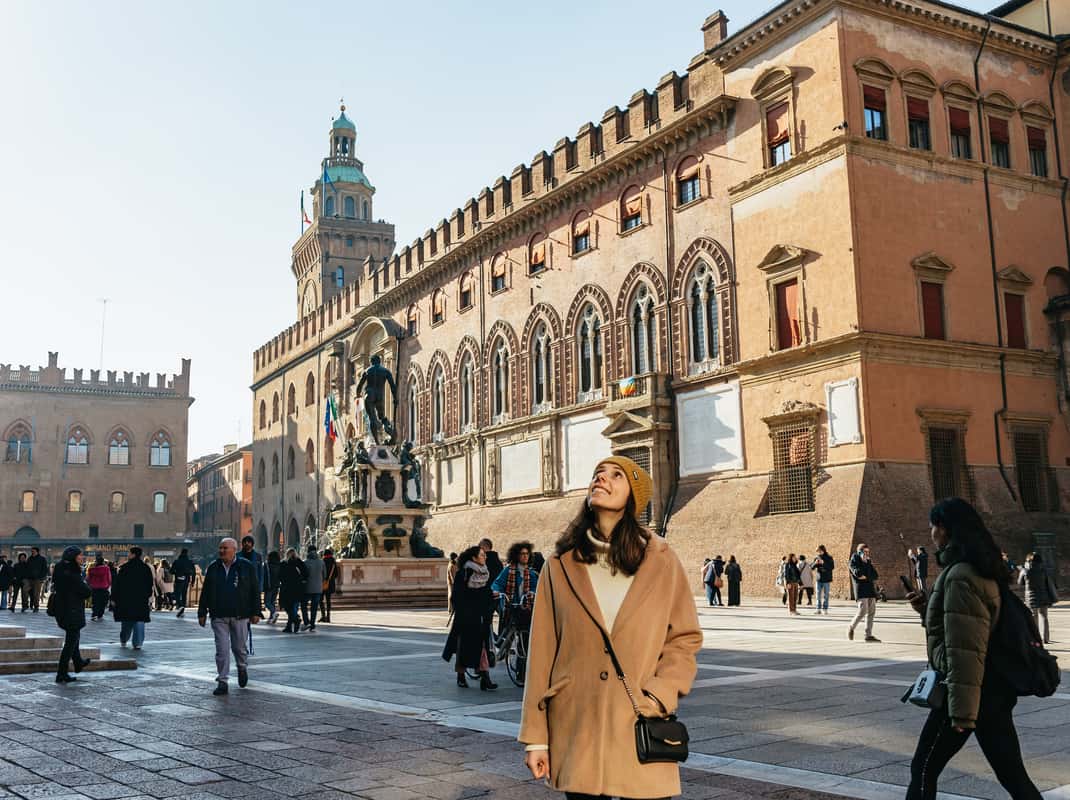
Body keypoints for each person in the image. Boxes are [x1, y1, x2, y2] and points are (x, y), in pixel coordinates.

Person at [519, 455, 702, 799]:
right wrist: (536, 738)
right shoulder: (559, 566)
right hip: (578, 726)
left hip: (639, 722)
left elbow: (684, 637)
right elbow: (542, 654)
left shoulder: (660, 560)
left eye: (616, 475)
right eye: (597, 474)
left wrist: (661, 693)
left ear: (633, 496)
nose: (601, 479)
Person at [904, 498, 1042, 800]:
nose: (930, 532)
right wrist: (927, 608)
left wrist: (962, 714)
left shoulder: (960, 575)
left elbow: (964, 650)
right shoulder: (980, 569)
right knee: (1013, 776)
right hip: (993, 691)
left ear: (944, 530)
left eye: (932, 526)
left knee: (923, 768)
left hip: (967, 692)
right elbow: (968, 625)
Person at [198, 537, 261, 696]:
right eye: (220, 548)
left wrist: (256, 612)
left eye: (225, 548)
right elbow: (205, 591)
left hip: (240, 614)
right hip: (219, 614)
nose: (222, 551)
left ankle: (242, 667)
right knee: (222, 649)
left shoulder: (246, 566)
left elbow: (254, 590)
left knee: (239, 647)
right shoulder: (213, 567)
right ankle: (222, 681)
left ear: (234, 549)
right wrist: (202, 612)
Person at [444, 544, 497, 690]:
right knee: (463, 647)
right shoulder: (464, 573)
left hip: (481, 616)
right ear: (474, 558)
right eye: (481, 555)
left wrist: (491, 600)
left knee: (483, 647)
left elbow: (486, 592)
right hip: (466, 617)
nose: (485, 557)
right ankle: (460, 675)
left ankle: (485, 678)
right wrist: (464, 611)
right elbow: (457, 595)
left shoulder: (486, 573)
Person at [51, 546, 92, 684]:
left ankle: (78, 662)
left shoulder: (60, 568)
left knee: (74, 637)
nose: (82, 557)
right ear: (73, 557)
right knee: (70, 642)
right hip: (72, 610)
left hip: (62, 609)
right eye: (80, 555)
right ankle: (61, 673)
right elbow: (86, 592)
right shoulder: (73, 572)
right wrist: (84, 582)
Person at [111, 547, 154, 650]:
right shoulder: (145, 568)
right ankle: (138, 643)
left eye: (129, 553)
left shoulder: (124, 568)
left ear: (133, 554)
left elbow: (117, 585)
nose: (128, 555)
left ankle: (124, 639)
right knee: (139, 620)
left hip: (126, 599)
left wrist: (114, 598)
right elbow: (149, 584)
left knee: (126, 621)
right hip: (140, 599)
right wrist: (147, 596)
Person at [1019, 552, 1056, 645]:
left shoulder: (1025, 570)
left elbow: (1020, 582)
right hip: (1044, 597)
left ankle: (1036, 637)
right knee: (1044, 617)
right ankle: (1046, 638)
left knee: (1033, 617)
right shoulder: (1043, 570)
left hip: (1031, 598)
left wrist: (1022, 570)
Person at [848, 543, 880, 642]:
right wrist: (864, 567)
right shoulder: (853, 561)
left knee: (871, 612)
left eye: (868, 552)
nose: (867, 553)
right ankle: (851, 627)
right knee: (863, 611)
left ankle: (868, 635)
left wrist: (866, 568)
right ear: (859, 552)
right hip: (861, 590)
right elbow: (858, 574)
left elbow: (875, 575)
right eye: (865, 551)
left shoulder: (868, 561)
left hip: (870, 589)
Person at [278, 548, 308, 633]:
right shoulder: (299, 563)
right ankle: (293, 623)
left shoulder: (284, 563)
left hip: (287, 589)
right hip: (298, 589)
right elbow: (306, 574)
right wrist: (301, 581)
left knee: (288, 607)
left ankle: (294, 622)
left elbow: (280, 576)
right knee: (293, 607)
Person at [301, 547, 324, 631]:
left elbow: (303, 575)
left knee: (304, 605)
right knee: (314, 607)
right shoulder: (321, 562)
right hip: (318, 588)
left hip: (307, 588)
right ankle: (313, 625)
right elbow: (324, 575)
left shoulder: (305, 562)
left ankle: (306, 622)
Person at [87, 554, 112, 621]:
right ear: (103, 562)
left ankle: (94, 614)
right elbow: (109, 578)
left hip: (94, 588)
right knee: (103, 602)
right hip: (104, 587)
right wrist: (108, 585)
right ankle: (100, 614)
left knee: (95, 602)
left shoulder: (91, 570)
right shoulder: (106, 569)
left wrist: (90, 585)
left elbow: (88, 579)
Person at [171, 548, 195, 618]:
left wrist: (177, 573)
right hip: (186, 579)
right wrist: (193, 581)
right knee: (184, 594)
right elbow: (193, 572)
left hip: (178, 579)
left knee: (177, 593)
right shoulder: (190, 562)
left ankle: (180, 605)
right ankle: (182, 609)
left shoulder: (176, 561)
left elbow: (171, 571)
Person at [319, 548, 340, 623]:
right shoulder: (333, 563)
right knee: (328, 600)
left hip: (322, 583)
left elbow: (320, 573)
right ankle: (328, 616)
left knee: (320, 600)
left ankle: (323, 615)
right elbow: (336, 574)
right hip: (330, 584)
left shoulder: (322, 562)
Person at [812, 545, 834, 614]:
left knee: (826, 595)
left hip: (826, 579)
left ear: (822, 550)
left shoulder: (829, 557)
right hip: (819, 579)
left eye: (818, 551)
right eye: (817, 551)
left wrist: (823, 563)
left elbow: (832, 567)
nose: (818, 552)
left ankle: (825, 609)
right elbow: (811, 568)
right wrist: (815, 564)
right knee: (818, 595)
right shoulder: (816, 557)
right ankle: (818, 609)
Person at [25, 546, 47, 612]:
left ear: (37, 551)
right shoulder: (29, 559)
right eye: (31, 551)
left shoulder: (42, 559)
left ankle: (36, 607)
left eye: (33, 551)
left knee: (36, 593)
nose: (32, 552)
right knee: (26, 591)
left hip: (38, 579)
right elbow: (27, 568)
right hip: (29, 579)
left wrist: (41, 577)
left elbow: (44, 569)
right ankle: (27, 605)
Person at [264, 551, 281, 624]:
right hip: (276, 586)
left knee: (267, 602)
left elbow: (265, 575)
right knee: (272, 602)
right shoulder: (279, 565)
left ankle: (274, 612)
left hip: (269, 585)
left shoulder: (267, 565)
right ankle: (271, 618)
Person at [446, 552, 459, 619]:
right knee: (451, 595)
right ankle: (450, 609)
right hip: (451, 583)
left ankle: (453, 609)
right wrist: (455, 583)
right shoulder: (451, 565)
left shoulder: (455, 564)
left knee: (453, 595)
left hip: (454, 582)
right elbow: (452, 576)